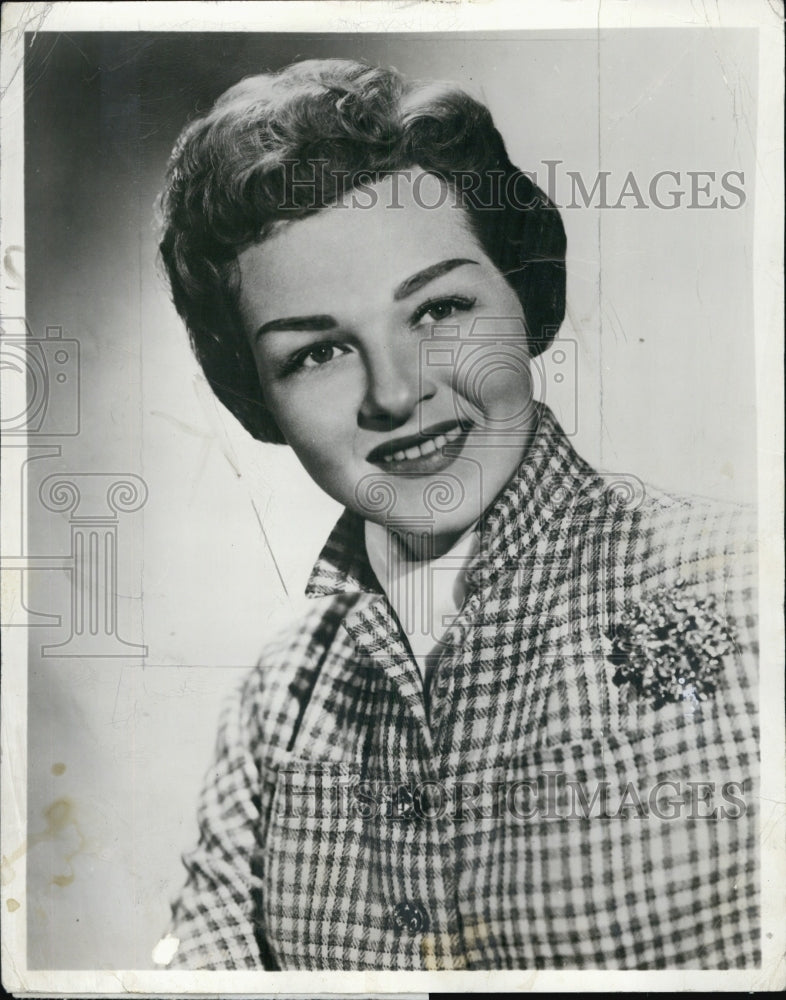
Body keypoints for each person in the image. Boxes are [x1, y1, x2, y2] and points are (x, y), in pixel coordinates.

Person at [153, 58, 758, 971]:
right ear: (257, 396)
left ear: (525, 296)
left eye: (438, 309)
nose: (396, 394)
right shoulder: (274, 710)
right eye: (317, 354)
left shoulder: (751, 593)